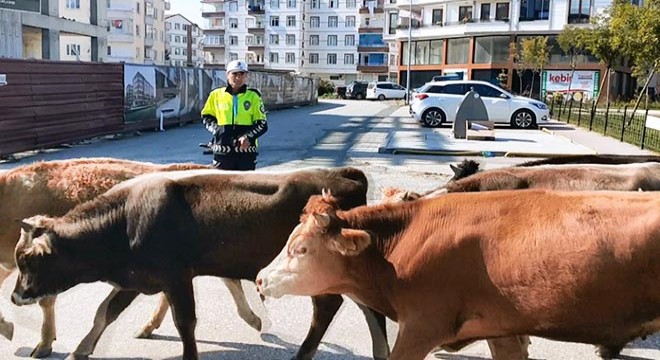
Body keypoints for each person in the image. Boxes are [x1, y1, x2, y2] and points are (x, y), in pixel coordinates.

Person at [201, 60, 268, 170]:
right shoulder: (216, 95)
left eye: (242, 74)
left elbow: (262, 124)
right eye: (234, 74)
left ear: (246, 76)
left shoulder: (254, 96)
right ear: (227, 75)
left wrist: (247, 137)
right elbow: (206, 116)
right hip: (222, 151)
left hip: (245, 151)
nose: (238, 77)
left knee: (246, 185)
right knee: (222, 184)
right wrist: (218, 130)